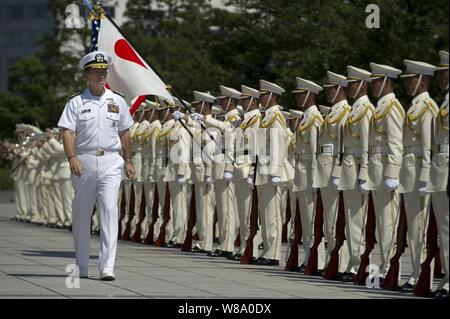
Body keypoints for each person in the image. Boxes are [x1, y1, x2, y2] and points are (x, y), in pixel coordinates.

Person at [57, 51, 135, 281]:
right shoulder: (76, 102)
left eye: (104, 72)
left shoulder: (117, 101)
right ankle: (81, 265)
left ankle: (107, 266)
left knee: (110, 210)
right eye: (97, 72)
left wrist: (129, 160)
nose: (102, 76)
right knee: (82, 213)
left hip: (111, 160)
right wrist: (72, 157)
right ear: (87, 76)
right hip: (85, 161)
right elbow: (68, 132)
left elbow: (125, 132)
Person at [398, 59, 439, 293]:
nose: (407, 84)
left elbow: (429, 146)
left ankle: (422, 275)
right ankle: (415, 273)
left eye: (411, 79)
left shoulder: (428, 107)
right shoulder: (414, 106)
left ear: (422, 81)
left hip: (419, 173)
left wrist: (425, 176)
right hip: (408, 171)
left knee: (421, 228)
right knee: (413, 228)